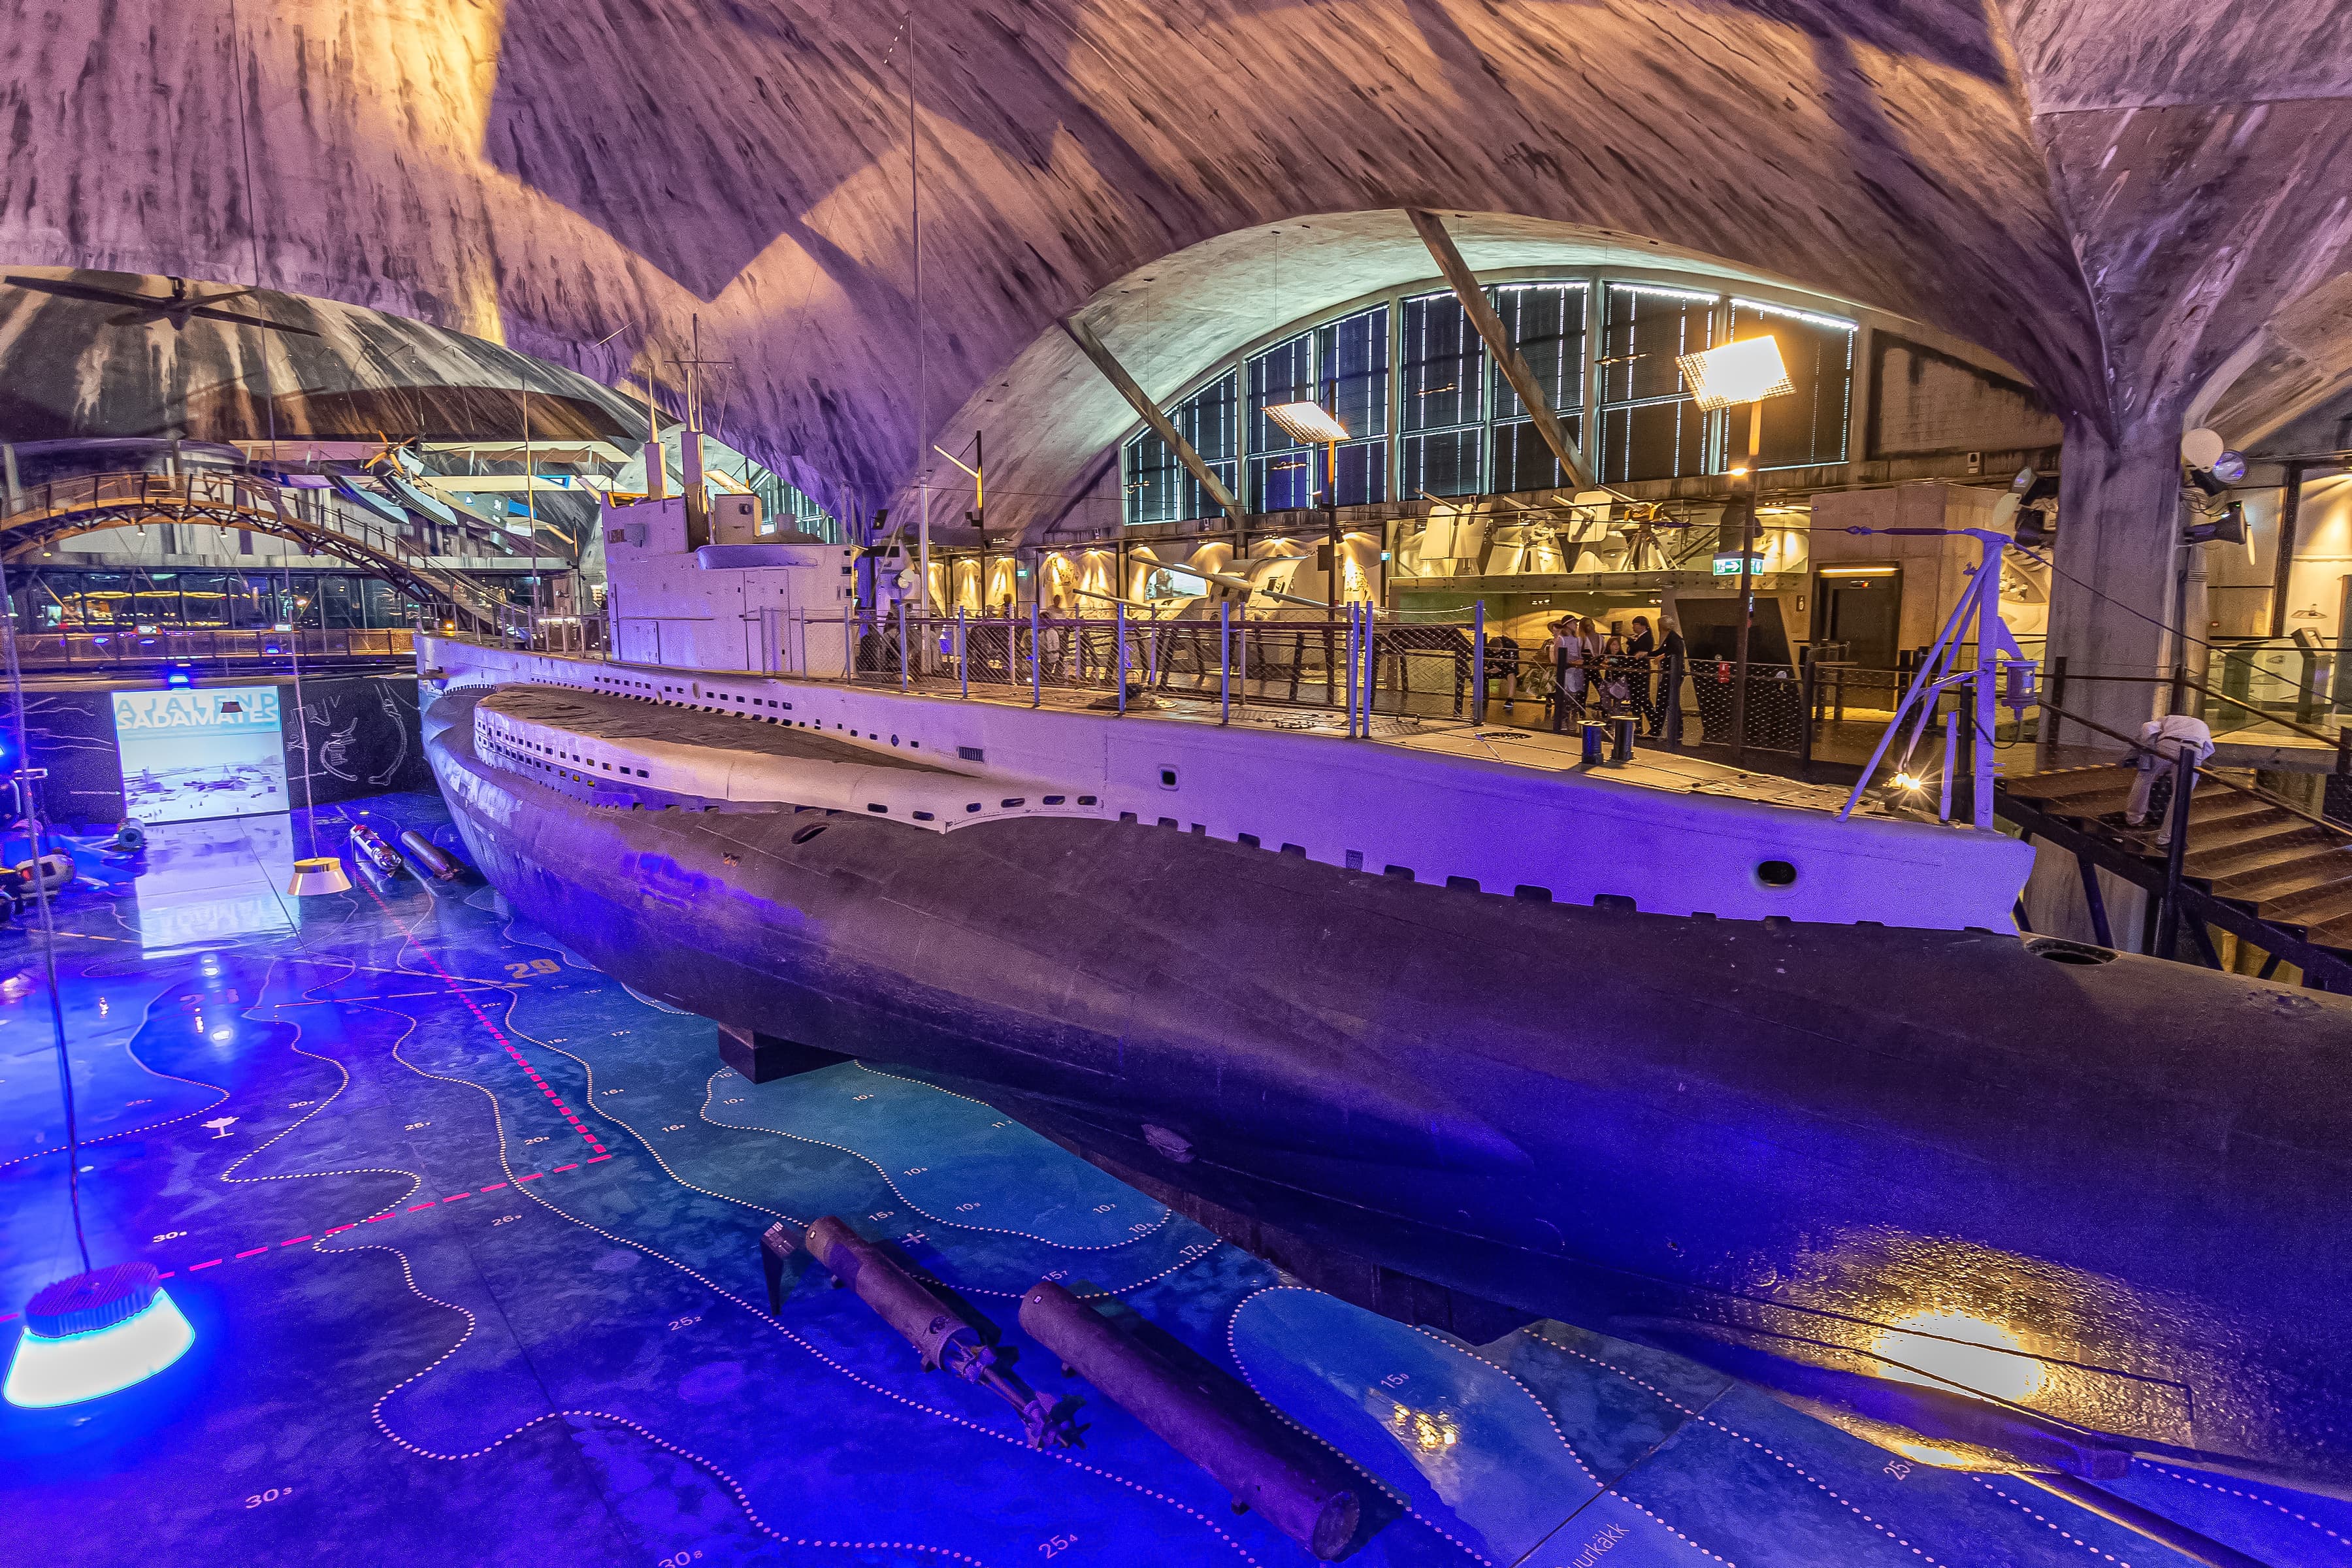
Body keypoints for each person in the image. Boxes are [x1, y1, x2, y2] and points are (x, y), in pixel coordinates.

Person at [2124, 713, 2215, 847]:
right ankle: (2165, 838)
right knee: (2181, 794)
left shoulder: (2168, 718)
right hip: (2193, 749)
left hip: (2167, 744)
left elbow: (2147, 727)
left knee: (2144, 778)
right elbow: (2208, 749)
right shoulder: (2202, 725)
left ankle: (2134, 818)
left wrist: (2147, 744)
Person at [1624, 615, 1660, 734]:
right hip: (1633, 672)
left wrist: (1630, 641)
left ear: (1643, 626)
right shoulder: (1638, 637)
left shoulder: (1647, 638)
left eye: (1636, 625)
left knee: (1643, 698)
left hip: (1640, 672)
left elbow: (1640, 649)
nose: (1634, 628)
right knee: (1635, 700)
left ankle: (1655, 724)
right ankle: (1638, 726)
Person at [1654, 613, 1686, 738]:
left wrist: (1661, 657)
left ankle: (1659, 730)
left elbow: (1672, 653)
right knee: (1670, 702)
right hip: (1674, 674)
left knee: (1665, 701)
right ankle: (1675, 732)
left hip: (1673, 675)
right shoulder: (1673, 637)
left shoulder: (1673, 638)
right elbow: (1664, 651)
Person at [1488, 628, 1522, 712]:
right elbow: (1487, 660)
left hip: (1508, 666)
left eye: (1498, 650)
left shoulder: (1511, 646)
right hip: (1495, 666)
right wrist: (1490, 668)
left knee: (1511, 674)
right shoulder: (1489, 647)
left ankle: (1510, 699)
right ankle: (1480, 697)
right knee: (1481, 674)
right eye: (1494, 650)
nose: (1496, 652)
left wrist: (1500, 669)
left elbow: (1512, 664)